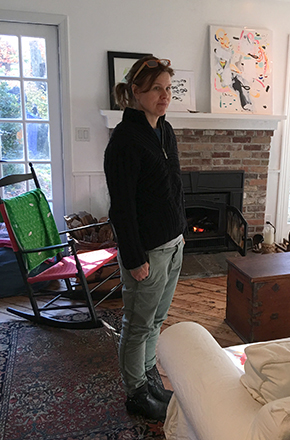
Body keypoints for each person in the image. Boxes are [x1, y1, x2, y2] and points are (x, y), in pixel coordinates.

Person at [104, 55, 186, 421]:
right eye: (156, 89)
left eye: (168, 88)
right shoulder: (124, 141)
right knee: (137, 324)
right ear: (135, 92)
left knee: (156, 320)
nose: (164, 95)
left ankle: (149, 375)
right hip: (148, 253)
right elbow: (121, 208)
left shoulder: (164, 129)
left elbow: (175, 187)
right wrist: (134, 258)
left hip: (174, 245)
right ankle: (135, 392)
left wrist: (182, 230)